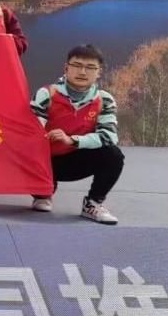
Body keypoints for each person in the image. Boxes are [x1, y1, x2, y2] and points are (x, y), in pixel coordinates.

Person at [30, 44, 123, 224]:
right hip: (44, 161)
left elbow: (108, 136)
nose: (82, 72)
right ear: (66, 68)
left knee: (113, 154)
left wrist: (72, 140)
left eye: (90, 67)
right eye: (77, 65)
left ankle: (93, 204)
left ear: (99, 72)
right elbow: (31, 131)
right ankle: (42, 193)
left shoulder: (104, 100)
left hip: (76, 159)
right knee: (28, 150)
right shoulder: (47, 94)